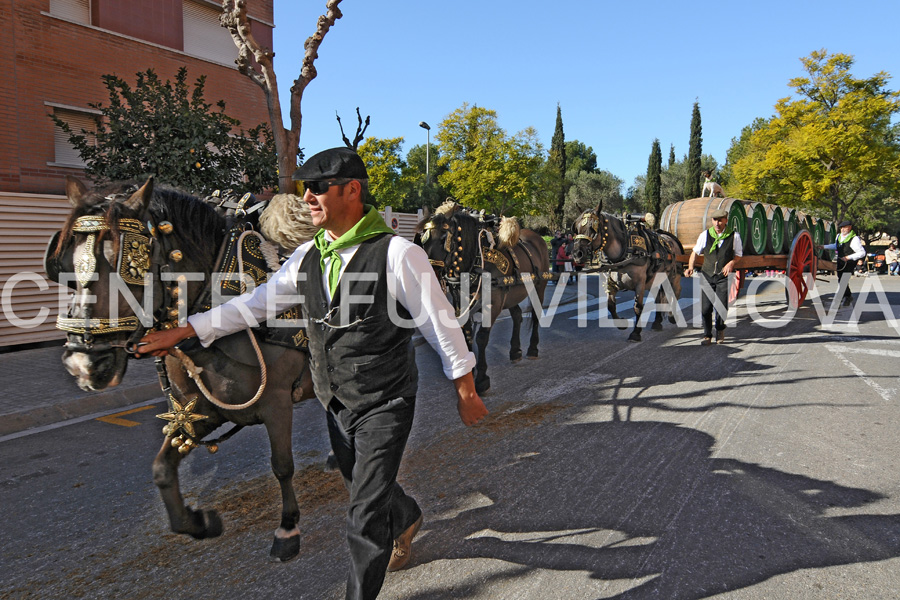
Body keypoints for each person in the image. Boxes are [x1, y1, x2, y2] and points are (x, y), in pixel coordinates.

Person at [137, 147, 488, 600]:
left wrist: (465, 386)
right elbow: (255, 304)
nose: (308, 197)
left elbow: (440, 323)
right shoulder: (308, 257)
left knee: (362, 516)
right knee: (359, 480)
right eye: (305, 189)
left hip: (386, 400)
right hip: (335, 399)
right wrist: (188, 329)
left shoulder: (398, 254)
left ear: (353, 190)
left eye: (319, 187)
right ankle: (408, 514)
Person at [685, 208, 743, 345]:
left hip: (723, 276)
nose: (717, 223)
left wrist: (731, 263)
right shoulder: (705, 235)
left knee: (721, 306)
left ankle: (720, 329)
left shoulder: (734, 236)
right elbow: (695, 253)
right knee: (705, 308)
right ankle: (707, 335)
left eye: (720, 220)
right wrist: (690, 267)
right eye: (715, 220)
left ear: (726, 221)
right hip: (707, 274)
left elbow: (739, 255)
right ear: (712, 221)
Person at [820, 220, 866, 305]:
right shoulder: (839, 236)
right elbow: (836, 245)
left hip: (849, 262)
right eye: (841, 228)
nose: (843, 229)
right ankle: (848, 296)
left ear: (849, 227)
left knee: (843, 280)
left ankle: (842, 298)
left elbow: (862, 252)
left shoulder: (854, 239)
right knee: (840, 279)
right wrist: (823, 247)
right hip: (840, 261)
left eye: (845, 227)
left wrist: (848, 257)